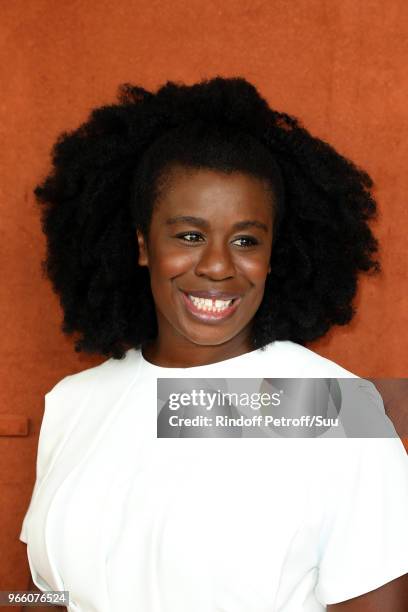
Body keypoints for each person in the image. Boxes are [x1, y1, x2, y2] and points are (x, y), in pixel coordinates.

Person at [19, 76, 408, 611]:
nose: (219, 265)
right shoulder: (76, 402)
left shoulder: (330, 410)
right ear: (141, 245)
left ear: (274, 255)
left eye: (246, 240)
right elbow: (51, 596)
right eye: (189, 235)